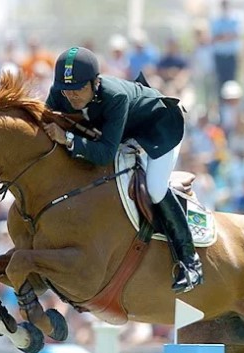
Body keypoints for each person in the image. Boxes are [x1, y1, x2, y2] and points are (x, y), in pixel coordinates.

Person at [43, 47, 203, 294]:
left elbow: (105, 152)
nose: (71, 97)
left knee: (155, 189)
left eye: (77, 90)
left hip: (158, 128)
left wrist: (70, 140)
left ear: (96, 83)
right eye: (66, 90)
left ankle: (191, 263)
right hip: (123, 134)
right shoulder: (60, 93)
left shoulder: (114, 96)